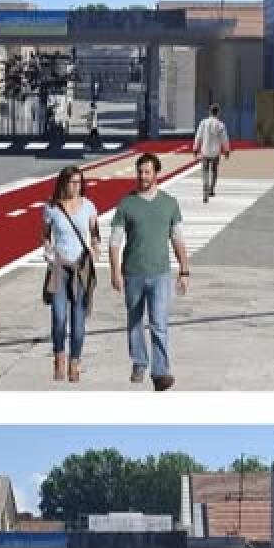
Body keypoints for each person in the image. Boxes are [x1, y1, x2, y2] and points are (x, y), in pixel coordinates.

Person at [109, 152, 191, 391]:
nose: (143, 176)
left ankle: (161, 373)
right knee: (134, 322)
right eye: (140, 172)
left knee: (159, 324)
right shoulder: (127, 203)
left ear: (156, 174)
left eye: (147, 172)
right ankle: (139, 362)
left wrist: (184, 270)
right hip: (133, 273)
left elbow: (178, 239)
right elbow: (115, 241)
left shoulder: (169, 204)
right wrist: (115, 272)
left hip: (160, 274)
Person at [42, 166, 100, 382]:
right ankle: (59, 358)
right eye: (71, 182)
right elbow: (46, 236)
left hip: (81, 268)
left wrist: (95, 248)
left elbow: (95, 234)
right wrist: (48, 253)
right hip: (59, 267)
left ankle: (75, 362)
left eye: (79, 182)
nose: (75, 186)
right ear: (63, 183)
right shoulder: (51, 208)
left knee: (78, 322)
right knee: (58, 317)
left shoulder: (88, 207)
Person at [193, 103, 231, 203]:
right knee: (214, 171)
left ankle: (205, 192)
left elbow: (198, 136)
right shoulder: (221, 125)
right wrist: (226, 151)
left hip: (204, 152)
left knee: (205, 172)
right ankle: (211, 189)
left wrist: (195, 149)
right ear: (218, 113)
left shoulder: (203, 123)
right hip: (215, 152)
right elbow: (224, 139)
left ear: (209, 112)